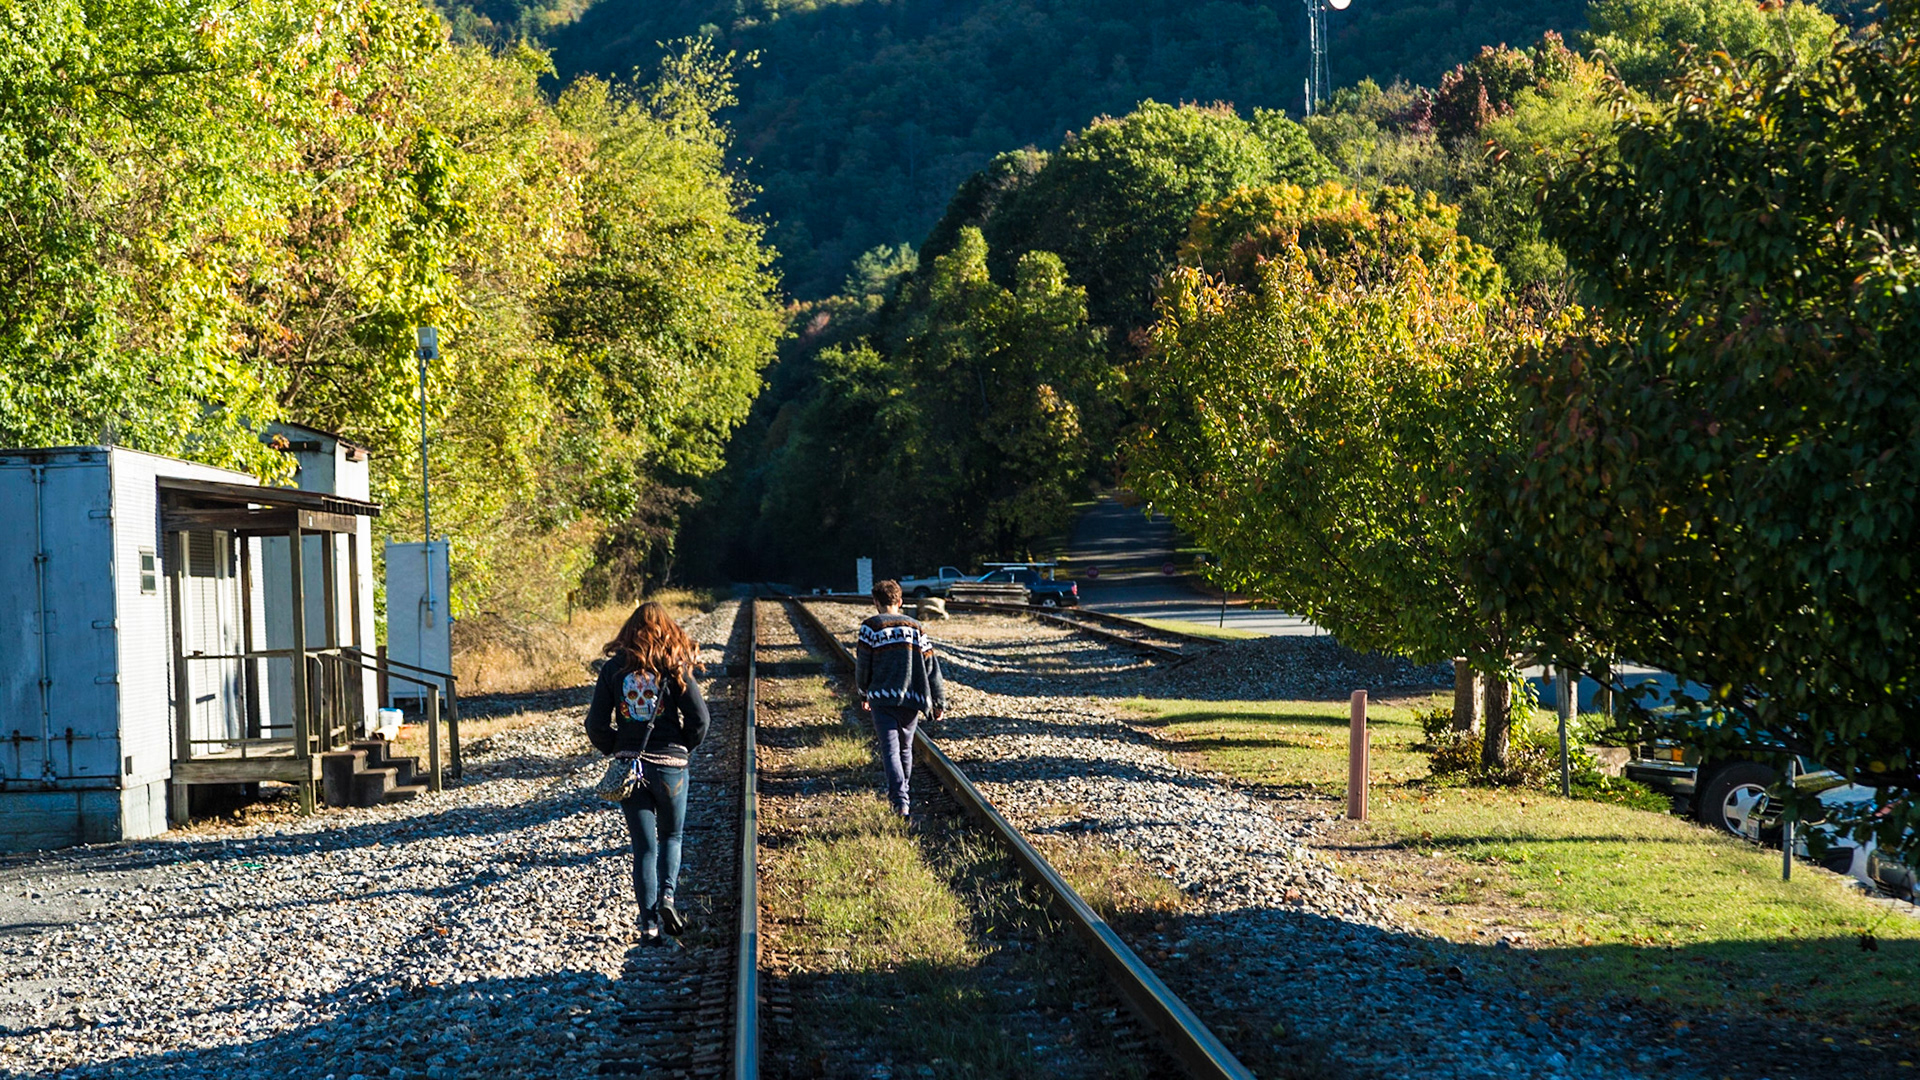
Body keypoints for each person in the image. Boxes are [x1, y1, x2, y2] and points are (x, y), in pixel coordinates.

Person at [586, 601, 710, 945]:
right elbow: (700, 720)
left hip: (632, 767)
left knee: (643, 847)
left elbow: (595, 725)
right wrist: (682, 746)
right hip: (670, 767)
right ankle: (668, 898)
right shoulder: (675, 668)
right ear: (667, 631)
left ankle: (649, 925)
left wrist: (617, 748)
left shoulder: (613, 670)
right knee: (671, 837)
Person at [854, 579, 946, 817]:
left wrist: (863, 691)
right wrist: (938, 701)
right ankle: (903, 795)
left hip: (882, 698)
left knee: (890, 750)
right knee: (905, 749)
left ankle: (900, 801)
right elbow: (931, 667)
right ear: (900, 601)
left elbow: (863, 666)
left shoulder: (870, 627)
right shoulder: (915, 627)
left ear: (876, 602)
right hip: (912, 698)